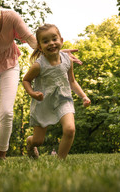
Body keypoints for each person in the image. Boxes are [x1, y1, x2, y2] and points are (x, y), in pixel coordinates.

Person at [0, 0, 80, 161]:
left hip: (9, 64)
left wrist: (56, 53)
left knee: (7, 112)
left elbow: (31, 39)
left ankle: (2, 153)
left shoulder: (11, 17)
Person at [22, 24, 91, 160]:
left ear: (61, 40)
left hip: (63, 100)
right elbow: (26, 80)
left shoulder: (67, 60)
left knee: (70, 129)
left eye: (54, 39)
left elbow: (72, 81)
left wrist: (83, 96)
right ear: (40, 47)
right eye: (46, 41)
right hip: (43, 103)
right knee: (38, 141)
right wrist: (32, 93)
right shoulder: (39, 65)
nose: (51, 43)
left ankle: (61, 160)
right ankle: (30, 143)